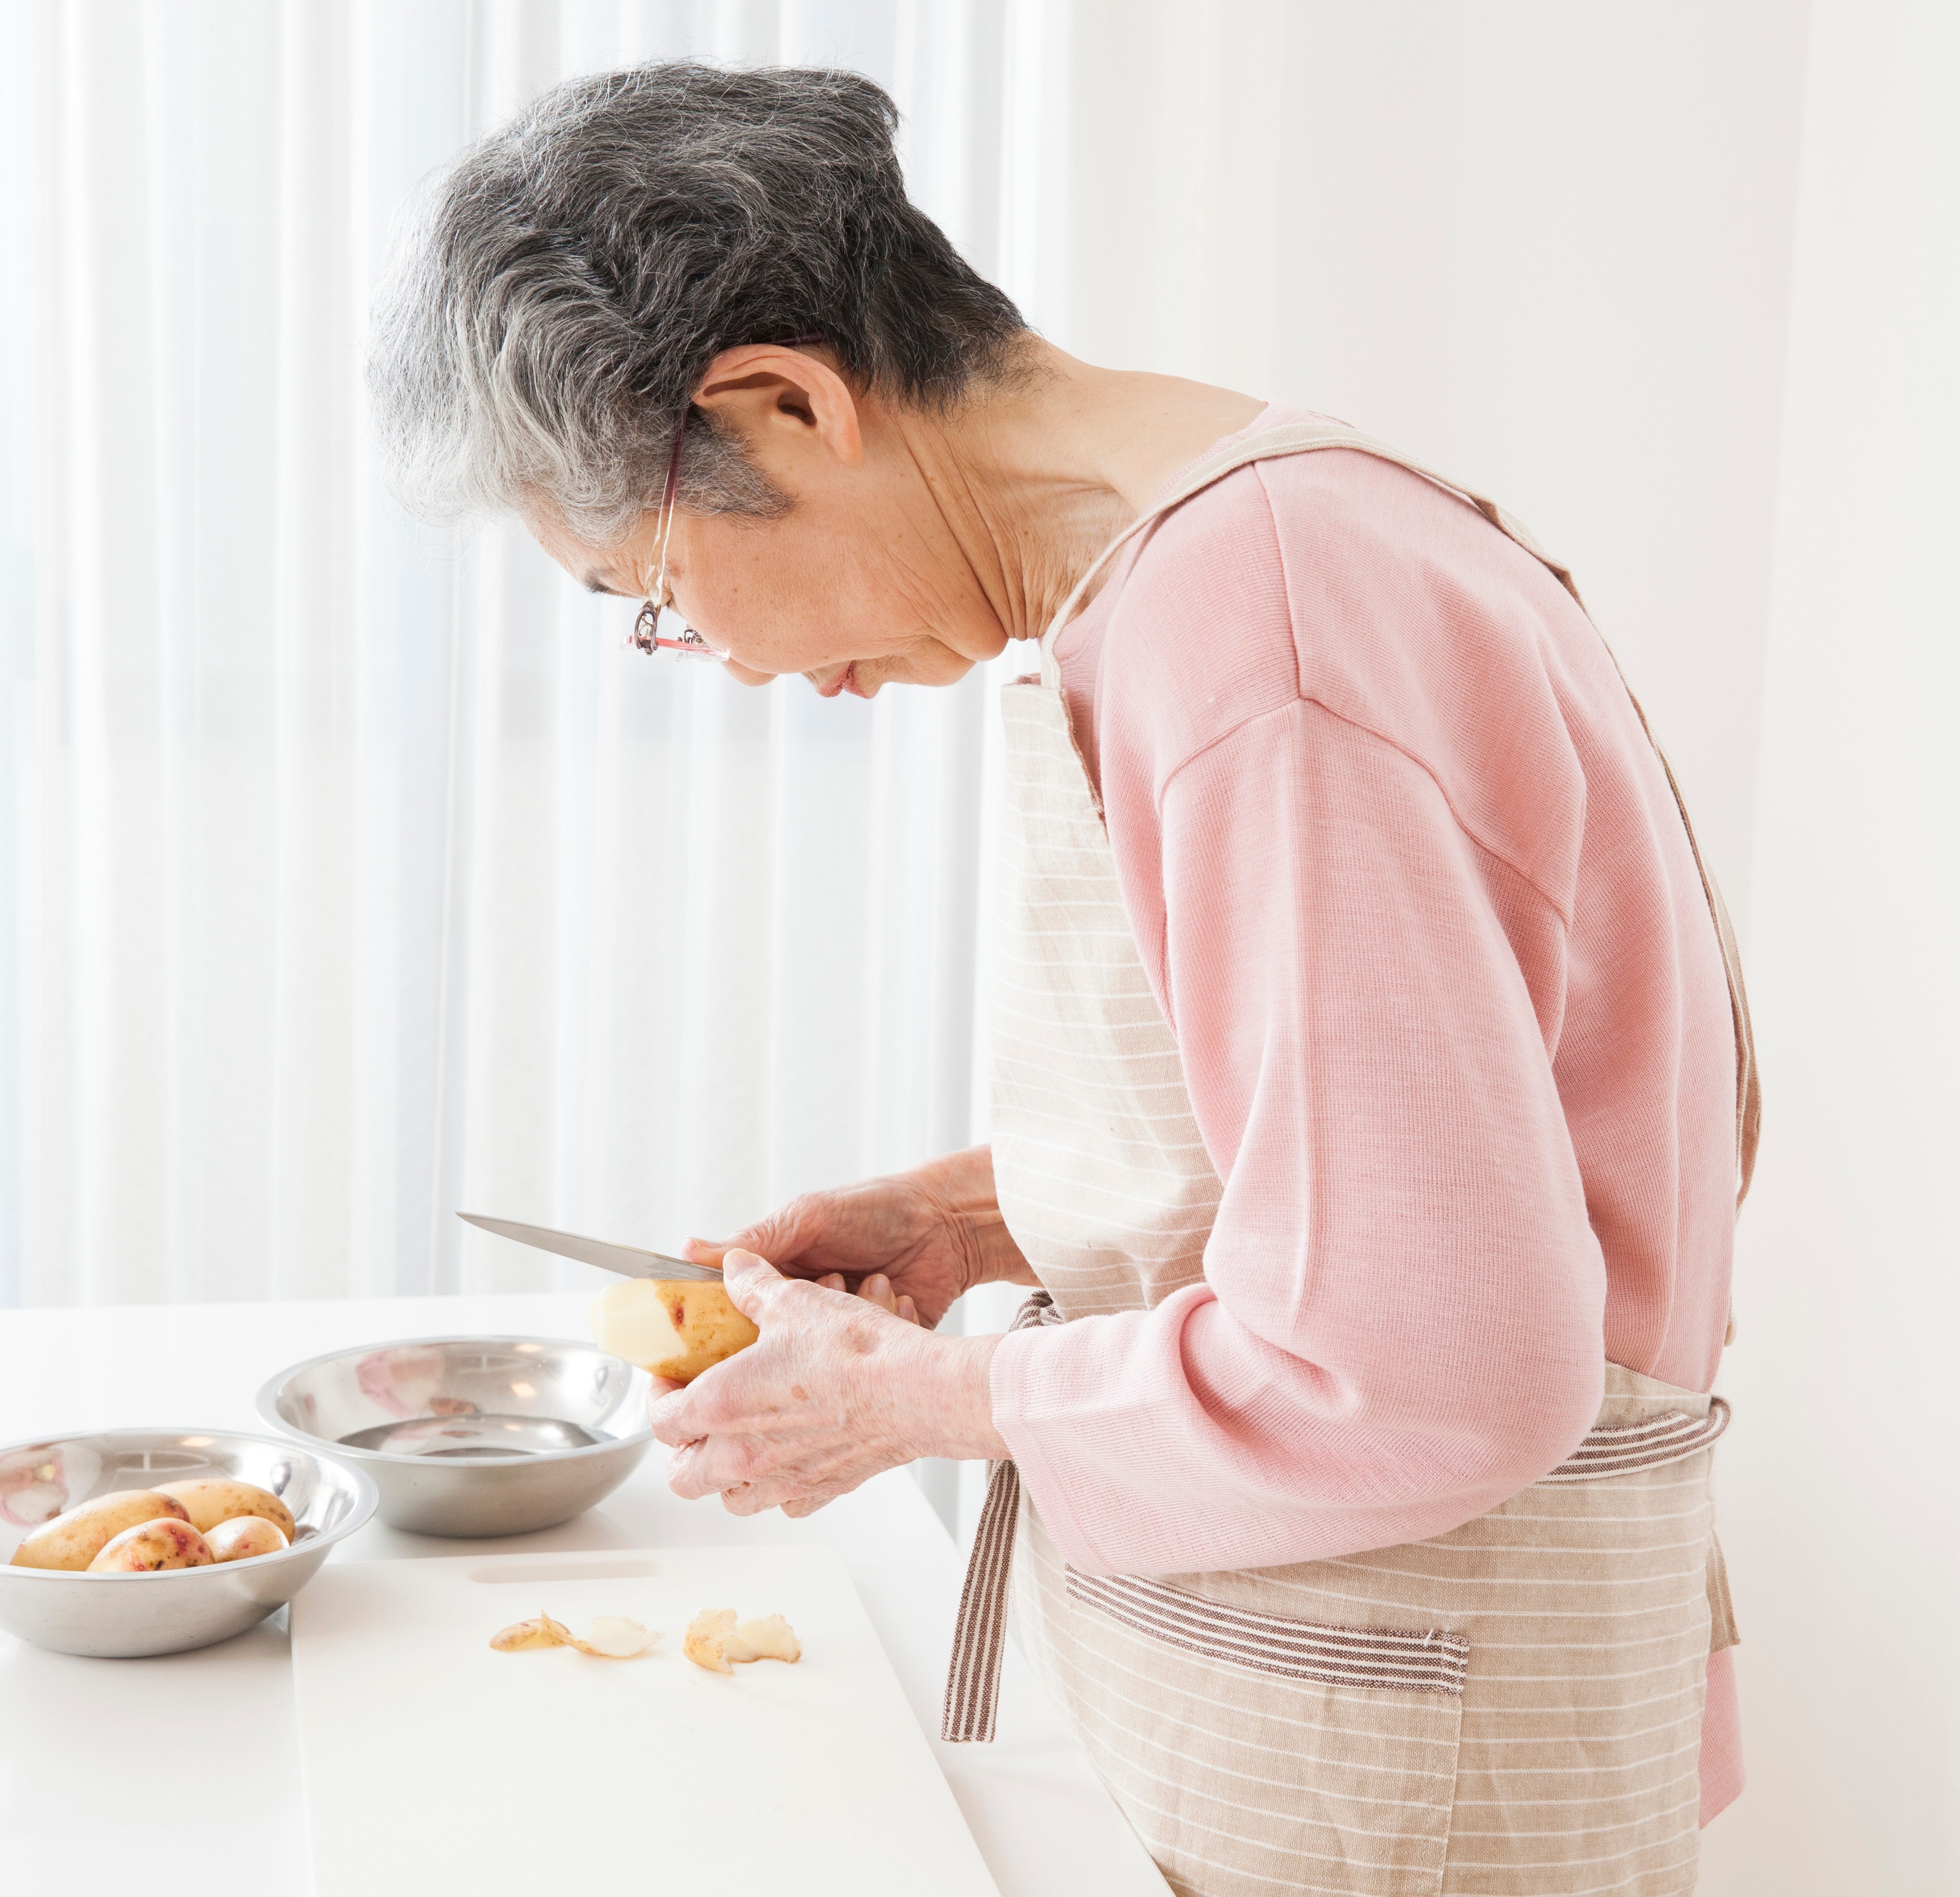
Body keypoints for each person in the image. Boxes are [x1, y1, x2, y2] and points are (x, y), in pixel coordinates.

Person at [372, 61, 1758, 1897]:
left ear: (783, 404)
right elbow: (1456, 1144)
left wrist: (914, 1402)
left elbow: (1426, 1368)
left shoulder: (1252, 631)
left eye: (652, 586)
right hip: (1381, 1701)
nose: (706, 656)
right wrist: (973, 1217)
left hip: (1392, 1748)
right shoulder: (1292, 531)